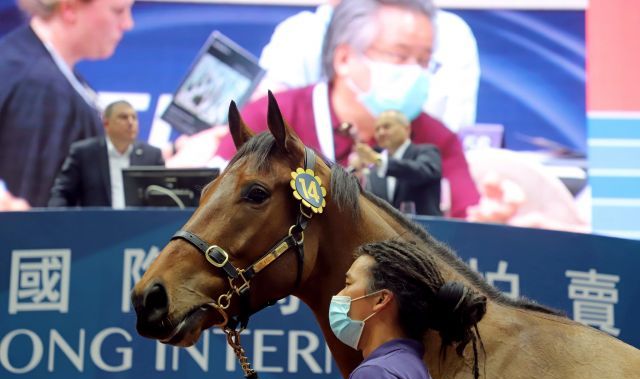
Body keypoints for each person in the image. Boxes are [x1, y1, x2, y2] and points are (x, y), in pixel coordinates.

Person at [170, 0, 480, 218]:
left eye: (424, 61)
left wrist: (492, 217)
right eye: (400, 57)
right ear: (344, 59)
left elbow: (471, 220)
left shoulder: (436, 139)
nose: (417, 73)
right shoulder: (272, 117)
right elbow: (212, 208)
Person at [244, 239, 486, 379]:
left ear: (380, 299)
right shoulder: (412, 373)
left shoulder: (376, 376)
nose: (338, 296)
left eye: (348, 284)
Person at [255, 0, 480, 133]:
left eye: (423, 60)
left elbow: (454, 132)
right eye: (398, 55)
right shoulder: (299, 32)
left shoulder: (449, 33)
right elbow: (267, 118)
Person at [0, 0, 134, 208]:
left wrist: (165, 156)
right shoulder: (42, 89)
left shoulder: (41, 66)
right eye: (118, 11)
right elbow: (40, 217)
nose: (128, 23)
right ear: (69, 8)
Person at [48, 101, 164, 208]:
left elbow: (165, 197)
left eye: (134, 117)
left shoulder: (152, 156)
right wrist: (59, 222)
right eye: (123, 117)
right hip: (96, 226)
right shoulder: (84, 153)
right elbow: (61, 194)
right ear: (106, 123)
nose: (130, 122)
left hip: (143, 227)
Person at [351, 110, 442, 216]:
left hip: (425, 230)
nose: (381, 132)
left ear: (407, 128)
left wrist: (378, 160)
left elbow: (422, 172)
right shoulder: (374, 170)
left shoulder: (427, 151)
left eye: (386, 127)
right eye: (377, 129)